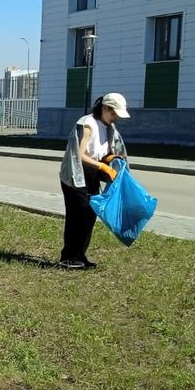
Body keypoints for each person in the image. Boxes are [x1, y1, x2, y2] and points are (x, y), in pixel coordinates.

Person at [59, 92, 131, 270]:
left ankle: (80, 255)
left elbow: (102, 153)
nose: (116, 119)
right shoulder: (87, 124)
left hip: (91, 176)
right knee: (78, 216)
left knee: (90, 215)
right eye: (114, 114)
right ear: (105, 108)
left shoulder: (108, 128)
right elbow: (79, 155)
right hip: (75, 176)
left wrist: (111, 159)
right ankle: (68, 257)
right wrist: (102, 167)